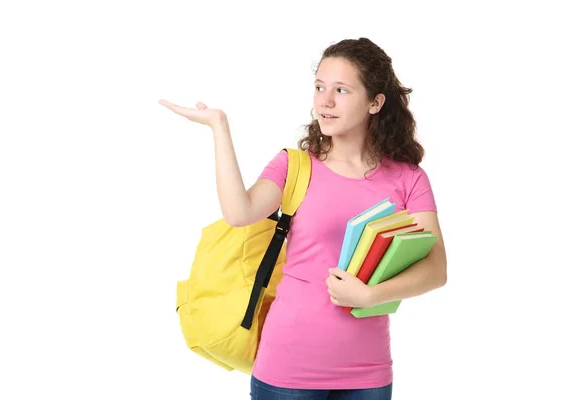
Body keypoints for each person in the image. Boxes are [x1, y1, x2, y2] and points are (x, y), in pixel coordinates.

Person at [159, 37, 447, 400]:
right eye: (319, 87)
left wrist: (370, 294)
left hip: (368, 371)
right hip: (287, 367)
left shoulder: (408, 178)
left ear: (375, 102)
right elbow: (239, 212)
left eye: (341, 90)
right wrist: (220, 128)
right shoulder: (294, 166)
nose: (325, 101)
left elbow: (436, 270)